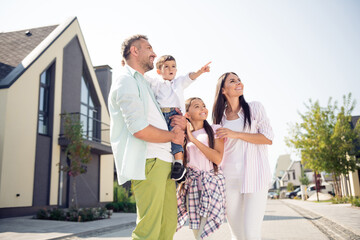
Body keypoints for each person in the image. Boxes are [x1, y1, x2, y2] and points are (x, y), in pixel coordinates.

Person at [108, 34, 186, 240]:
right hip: (149, 161)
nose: (155, 53)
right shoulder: (125, 81)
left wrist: (181, 123)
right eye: (149, 48)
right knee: (148, 231)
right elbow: (139, 129)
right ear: (135, 51)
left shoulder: (146, 83)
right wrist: (173, 136)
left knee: (167, 227)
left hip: (165, 161)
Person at [212, 72, 274, 240]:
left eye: (239, 80)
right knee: (237, 234)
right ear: (223, 90)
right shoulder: (219, 118)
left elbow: (267, 138)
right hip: (229, 180)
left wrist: (236, 134)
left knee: (251, 233)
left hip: (256, 177)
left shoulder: (255, 108)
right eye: (233, 81)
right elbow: (217, 152)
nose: (238, 83)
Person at [146, 55, 211, 182]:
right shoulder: (156, 83)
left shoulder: (178, 82)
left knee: (177, 136)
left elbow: (190, 77)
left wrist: (200, 71)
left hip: (174, 114)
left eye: (173, 66)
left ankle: (179, 164)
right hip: (160, 115)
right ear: (159, 71)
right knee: (163, 138)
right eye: (166, 66)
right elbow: (143, 78)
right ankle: (170, 163)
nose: (171, 69)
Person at [177, 97, 226, 240]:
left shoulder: (215, 130)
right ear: (187, 114)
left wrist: (193, 139)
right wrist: (188, 137)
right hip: (192, 188)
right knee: (197, 234)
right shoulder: (184, 137)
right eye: (197, 106)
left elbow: (217, 158)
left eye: (204, 105)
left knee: (205, 235)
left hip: (210, 186)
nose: (203, 109)